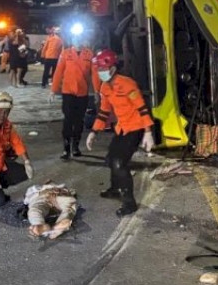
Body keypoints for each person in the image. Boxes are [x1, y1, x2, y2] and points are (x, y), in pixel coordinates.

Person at [86, 49, 156, 217]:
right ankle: (115, 189)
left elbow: (142, 107)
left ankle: (129, 202)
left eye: (103, 69)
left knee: (119, 163)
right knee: (111, 159)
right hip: (122, 127)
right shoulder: (104, 87)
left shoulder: (127, 84)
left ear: (112, 68)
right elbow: (104, 112)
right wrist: (94, 131)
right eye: (99, 69)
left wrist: (148, 132)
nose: (100, 72)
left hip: (136, 128)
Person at [50, 37, 99, 159]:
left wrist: (97, 91)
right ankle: (66, 148)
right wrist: (53, 90)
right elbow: (58, 72)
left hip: (82, 94)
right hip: (68, 93)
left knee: (79, 121)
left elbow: (95, 74)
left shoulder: (89, 54)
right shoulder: (65, 54)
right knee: (68, 120)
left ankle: (75, 146)